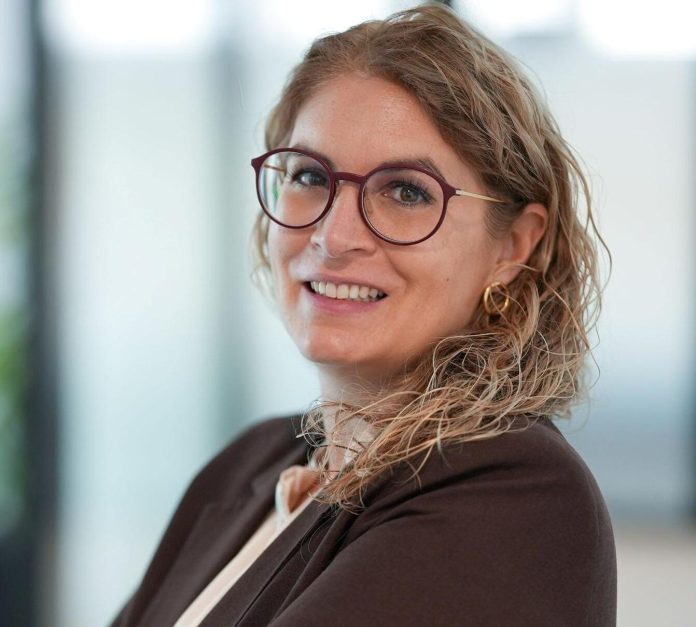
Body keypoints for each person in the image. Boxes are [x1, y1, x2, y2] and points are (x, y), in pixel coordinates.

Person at [111, 4, 616, 626]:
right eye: (309, 176)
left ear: (513, 246)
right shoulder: (251, 465)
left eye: (406, 191)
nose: (334, 235)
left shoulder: (515, 491)